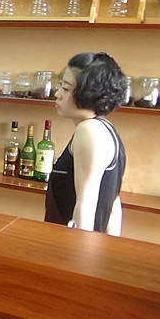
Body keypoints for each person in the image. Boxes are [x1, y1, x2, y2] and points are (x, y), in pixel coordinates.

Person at [44, 52, 127, 236]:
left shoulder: (89, 130)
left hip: (73, 243)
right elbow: (113, 205)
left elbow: (85, 204)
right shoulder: (106, 129)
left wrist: (79, 251)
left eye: (66, 89)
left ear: (88, 93)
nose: (57, 94)